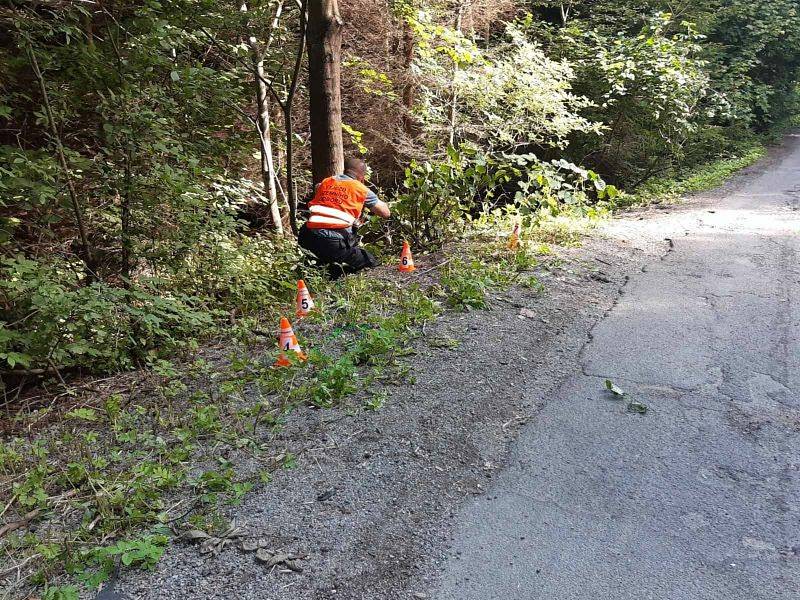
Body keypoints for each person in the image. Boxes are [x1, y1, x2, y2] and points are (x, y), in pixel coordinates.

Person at [298, 157, 391, 277]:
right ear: (362, 176)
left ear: (345, 170)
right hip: (333, 242)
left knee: (318, 270)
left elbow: (318, 187)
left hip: (307, 237)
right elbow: (385, 213)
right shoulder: (360, 189)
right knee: (369, 262)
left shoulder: (326, 182)